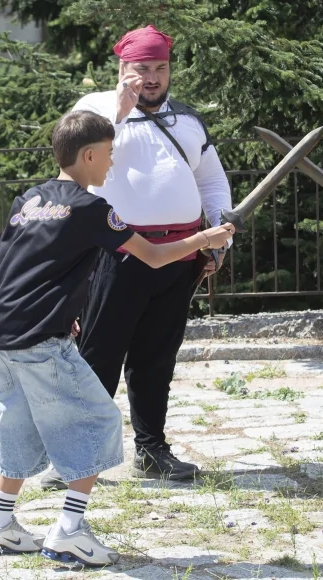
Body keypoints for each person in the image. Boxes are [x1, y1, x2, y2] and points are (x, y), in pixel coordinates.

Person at [0, 110, 234, 565]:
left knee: (21, 424)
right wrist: (203, 238)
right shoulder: (91, 208)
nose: (111, 165)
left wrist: (57, 304)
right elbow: (152, 256)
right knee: (97, 422)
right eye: (109, 155)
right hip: (39, 340)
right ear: (89, 154)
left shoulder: (28, 200)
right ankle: (70, 530)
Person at [36, 24, 233, 487]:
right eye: (141, 69)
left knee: (156, 356)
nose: (152, 78)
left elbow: (211, 182)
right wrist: (119, 114)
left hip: (181, 253)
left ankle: (151, 450)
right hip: (117, 253)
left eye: (160, 68)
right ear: (122, 69)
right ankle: (73, 457)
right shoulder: (93, 112)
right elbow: (79, 172)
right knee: (96, 356)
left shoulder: (187, 121)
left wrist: (219, 238)